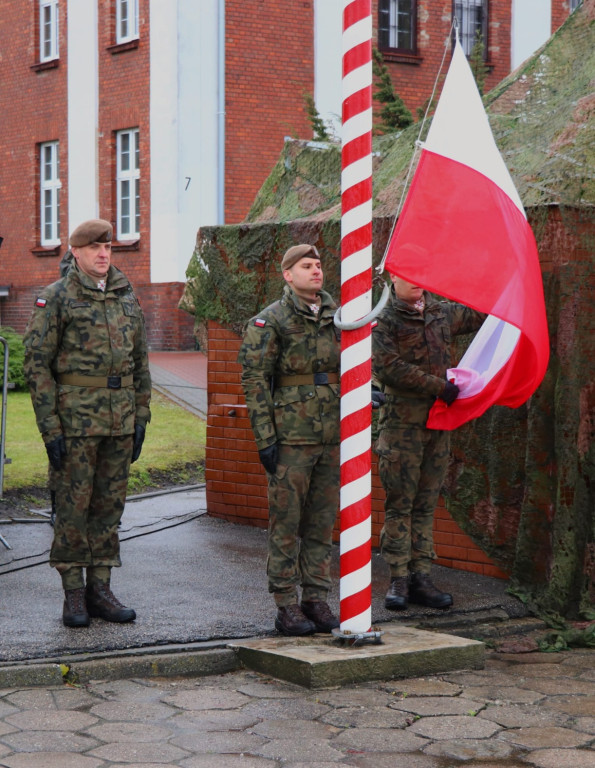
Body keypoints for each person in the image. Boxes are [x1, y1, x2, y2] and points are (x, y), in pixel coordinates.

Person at [23, 219, 151, 628]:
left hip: (119, 422)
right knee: (72, 510)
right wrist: (51, 429)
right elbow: (37, 366)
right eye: (95, 248)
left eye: (108, 248)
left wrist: (141, 417)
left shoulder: (125, 297)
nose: (103, 254)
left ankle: (100, 589)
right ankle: (73, 594)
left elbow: (141, 365)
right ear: (75, 252)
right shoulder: (56, 298)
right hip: (75, 423)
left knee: (108, 510)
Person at [238, 244, 341, 636]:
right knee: (286, 523)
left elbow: (361, 360)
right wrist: (265, 438)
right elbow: (254, 381)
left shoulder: (339, 318)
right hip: (291, 439)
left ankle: (316, 598)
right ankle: (285, 604)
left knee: (320, 524)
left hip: (330, 437)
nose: (316, 271)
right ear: (288, 274)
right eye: (306, 266)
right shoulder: (270, 321)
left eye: (318, 265)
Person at [372, 275, 485, 611]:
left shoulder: (439, 312)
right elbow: (389, 368)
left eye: (420, 273)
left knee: (425, 504)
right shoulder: (384, 319)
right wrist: (439, 386)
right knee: (400, 505)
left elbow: (483, 315)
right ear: (393, 276)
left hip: (437, 425)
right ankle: (398, 578)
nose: (417, 281)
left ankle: (421, 576)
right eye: (408, 274)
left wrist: (508, 288)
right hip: (401, 425)